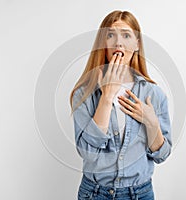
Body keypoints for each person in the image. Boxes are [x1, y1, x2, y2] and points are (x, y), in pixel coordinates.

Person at [70, 10, 172, 200]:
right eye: (110, 35)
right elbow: (88, 154)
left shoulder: (153, 94)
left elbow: (162, 155)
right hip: (95, 194)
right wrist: (107, 97)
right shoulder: (83, 94)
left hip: (140, 194)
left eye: (126, 35)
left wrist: (152, 123)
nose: (118, 42)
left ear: (136, 44)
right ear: (103, 44)